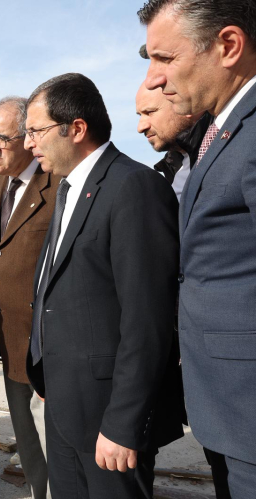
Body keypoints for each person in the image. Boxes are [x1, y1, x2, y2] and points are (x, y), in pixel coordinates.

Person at [23, 73, 183, 498]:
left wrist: (124, 422)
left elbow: (146, 319)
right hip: (64, 404)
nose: (28, 143)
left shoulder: (133, 187)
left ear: (76, 128)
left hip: (107, 417)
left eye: (36, 131)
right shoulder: (68, 189)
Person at [140, 1, 256, 494]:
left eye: (164, 58)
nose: (155, 77)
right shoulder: (224, 131)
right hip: (227, 405)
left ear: (228, 46)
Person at [0, 96, 56, 499]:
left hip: (46, 349)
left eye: (2, 139)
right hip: (8, 346)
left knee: (57, 451)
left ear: (28, 138)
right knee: (29, 446)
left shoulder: (56, 184)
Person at [135, 83, 207, 200]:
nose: (140, 127)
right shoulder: (173, 169)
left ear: (186, 105)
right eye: (140, 115)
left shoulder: (228, 152)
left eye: (150, 112)